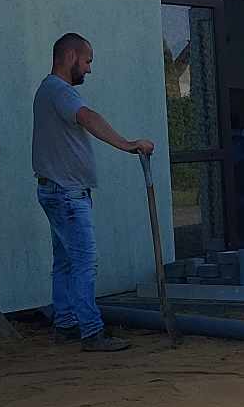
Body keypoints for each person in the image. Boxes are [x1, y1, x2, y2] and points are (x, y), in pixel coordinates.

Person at [33, 32, 155, 353]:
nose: (89, 69)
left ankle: (66, 323)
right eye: (87, 61)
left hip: (56, 190)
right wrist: (128, 144)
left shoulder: (48, 90)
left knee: (65, 262)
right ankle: (91, 331)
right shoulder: (59, 91)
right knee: (85, 262)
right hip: (67, 194)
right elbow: (88, 117)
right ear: (71, 56)